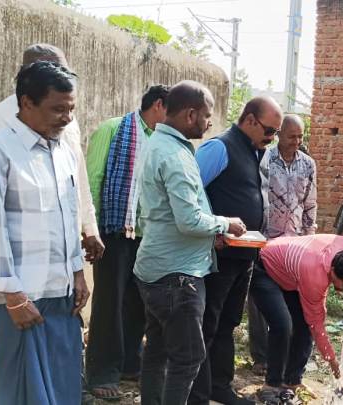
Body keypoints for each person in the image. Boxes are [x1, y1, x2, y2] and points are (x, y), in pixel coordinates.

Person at [0, 61, 89, 404]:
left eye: (71, 109)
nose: (66, 118)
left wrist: (78, 273)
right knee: (23, 392)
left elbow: (70, 215)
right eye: (57, 109)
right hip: (22, 297)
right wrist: (13, 295)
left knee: (63, 388)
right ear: (26, 103)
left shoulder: (65, 151)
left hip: (62, 293)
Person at [133, 81, 247, 405]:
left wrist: (213, 236)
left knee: (156, 352)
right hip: (177, 278)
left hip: (155, 268)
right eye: (207, 116)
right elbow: (189, 220)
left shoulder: (158, 143)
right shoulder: (175, 156)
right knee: (188, 359)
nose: (209, 123)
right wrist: (226, 224)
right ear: (190, 114)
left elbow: (169, 214)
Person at [189, 96, 283, 405]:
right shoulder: (220, 147)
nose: (273, 138)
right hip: (218, 254)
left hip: (244, 255)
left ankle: (220, 387)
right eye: (270, 130)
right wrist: (213, 230)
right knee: (208, 324)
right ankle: (197, 394)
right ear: (251, 120)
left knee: (228, 322)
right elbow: (190, 192)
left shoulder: (255, 152)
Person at [0, 43, 104, 263]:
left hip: (65, 253)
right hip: (22, 259)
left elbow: (77, 177)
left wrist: (89, 227)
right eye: (56, 71)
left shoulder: (68, 119)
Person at [84, 84, 169, 400]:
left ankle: (130, 363)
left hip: (149, 235)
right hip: (114, 232)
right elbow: (92, 179)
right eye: (172, 111)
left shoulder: (163, 140)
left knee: (139, 303)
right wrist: (89, 230)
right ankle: (102, 372)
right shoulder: (113, 129)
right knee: (109, 303)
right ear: (159, 106)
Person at [250, 235, 343, 402]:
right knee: (283, 325)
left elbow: (311, 323)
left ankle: (292, 381)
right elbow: (317, 325)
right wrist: (332, 361)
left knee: (303, 325)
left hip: (291, 275)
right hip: (264, 267)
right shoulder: (315, 277)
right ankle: (272, 384)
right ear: (334, 272)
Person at [248, 114, 318, 374]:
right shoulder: (264, 160)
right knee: (258, 300)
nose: (297, 141)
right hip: (266, 241)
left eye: (301, 136)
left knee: (290, 299)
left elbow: (310, 203)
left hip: (295, 243)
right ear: (279, 135)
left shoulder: (308, 165)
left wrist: (309, 238)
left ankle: (284, 352)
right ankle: (261, 356)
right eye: (292, 136)